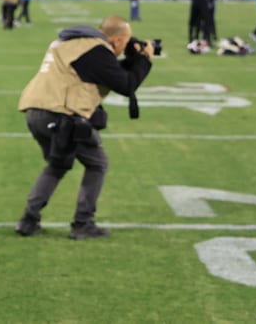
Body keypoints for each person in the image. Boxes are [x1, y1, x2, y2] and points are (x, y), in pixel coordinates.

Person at [15, 15, 153, 240]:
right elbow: (126, 85)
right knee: (97, 163)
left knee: (58, 164)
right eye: (125, 42)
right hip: (61, 115)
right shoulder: (95, 50)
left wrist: (131, 60)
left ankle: (29, 220)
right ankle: (83, 223)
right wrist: (145, 60)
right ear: (117, 40)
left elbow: (108, 73)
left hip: (35, 111)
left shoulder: (74, 43)